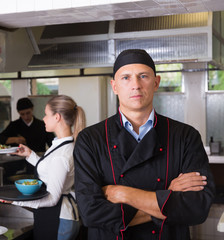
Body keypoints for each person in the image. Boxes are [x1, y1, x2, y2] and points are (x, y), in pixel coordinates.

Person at [73, 49, 215, 240]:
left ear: (156, 82)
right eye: (126, 78)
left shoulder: (185, 136)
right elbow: (91, 213)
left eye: (143, 76)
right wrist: (168, 198)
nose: (136, 85)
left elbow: (197, 207)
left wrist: (124, 193)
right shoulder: (90, 139)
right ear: (114, 86)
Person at [0, 95, 86, 240]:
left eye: (47, 114)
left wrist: (13, 201)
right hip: (55, 215)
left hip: (58, 217)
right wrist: (30, 155)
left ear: (57, 117)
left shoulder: (62, 154)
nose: (44, 118)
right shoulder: (63, 145)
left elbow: (52, 199)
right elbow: (51, 169)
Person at [0, 97, 55, 173]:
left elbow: (53, 145)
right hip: (16, 166)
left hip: (37, 164)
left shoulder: (42, 125)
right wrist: (14, 139)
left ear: (32, 109)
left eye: (28, 113)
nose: (26, 117)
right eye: (22, 114)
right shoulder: (14, 125)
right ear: (18, 112)